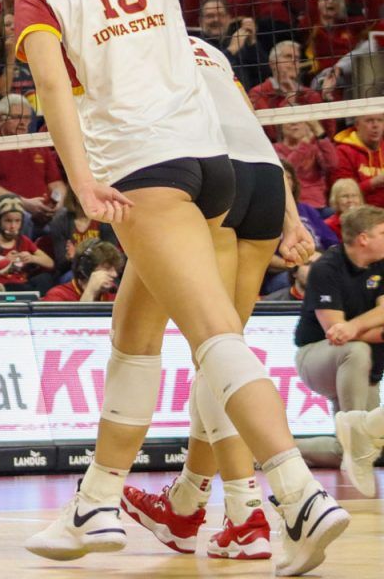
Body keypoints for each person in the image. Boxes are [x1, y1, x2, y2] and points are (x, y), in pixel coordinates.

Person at [13, 0, 345, 573]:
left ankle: (294, 495)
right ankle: (98, 501)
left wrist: (80, 179)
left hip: (144, 169)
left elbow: (49, 85)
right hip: (214, 164)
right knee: (132, 330)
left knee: (213, 337)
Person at [120, 34, 308, 561]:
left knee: (216, 353)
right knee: (225, 355)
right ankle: (187, 503)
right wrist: (292, 219)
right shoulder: (210, 49)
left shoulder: (123, 34)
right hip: (267, 177)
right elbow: (251, 122)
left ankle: (248, 512)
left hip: (209, 172)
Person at [292, 205, 384, 479]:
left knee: (368, 447)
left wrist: (353, 325)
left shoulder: (381, 263)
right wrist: (362, 330)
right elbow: (335, 334)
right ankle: (353, 426)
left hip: (364, 369)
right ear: (363, 238)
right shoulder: (327, 268)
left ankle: (287, 450)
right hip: (318, 358)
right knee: (354, 349)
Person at [0, 94, 65, 230]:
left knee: (65, 217)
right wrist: (22, 203)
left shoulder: (37, 145)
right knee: (20, 217)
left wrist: (58, 202)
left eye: (27, 117)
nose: (23, 122)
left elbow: (56, 183)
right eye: (17, 117)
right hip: (6, 213)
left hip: (44, 212)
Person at [44, 185, 119, 277]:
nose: (89, 197)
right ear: (73, 194)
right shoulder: (60, 221)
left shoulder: (105, 219)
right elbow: (61, 262)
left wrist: (77, 254)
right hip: (71, 271)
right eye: (84, 192)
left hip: (102, 270)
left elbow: (111, 255)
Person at [0, 195, 54, 293]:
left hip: (23, 284)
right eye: (8, 221)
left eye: (17, 221)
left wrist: (32, 258)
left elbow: (50, 263)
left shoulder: (24, 241)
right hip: (3, 285)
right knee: (4, 287)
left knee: (45, 278)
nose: (13, 226)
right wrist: (5, 261)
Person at [275, 120, 338, 211]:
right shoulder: (275, 149)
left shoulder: (315, 148)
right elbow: (287, 170)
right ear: (280, 126)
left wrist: (320, 133)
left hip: (317, 206)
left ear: (307, 126)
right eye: (288, 120)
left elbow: (332, 164)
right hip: (290, 206)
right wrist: (304, 144)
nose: (294, 123)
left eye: (300, 120)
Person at [43, 239, 124, 302]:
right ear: (86, 269)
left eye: (115, 269)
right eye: (107, 268)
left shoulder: (114, 295)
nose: (114, 274)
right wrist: (90, 292)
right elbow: (76, 323)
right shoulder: (58, 295)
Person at [333, 114, 384, 207]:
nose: (375, 125)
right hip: (360, 212)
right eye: (369, 121)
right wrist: (374, 182)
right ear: (357, 125)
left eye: (380, 120)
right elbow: (343, 194)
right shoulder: (343, 151)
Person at [325, 178, 365, 242]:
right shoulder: (328, 225)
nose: (350, 200)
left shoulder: (368, 222)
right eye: (345, 196)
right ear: (335, 200)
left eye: (354, 195)